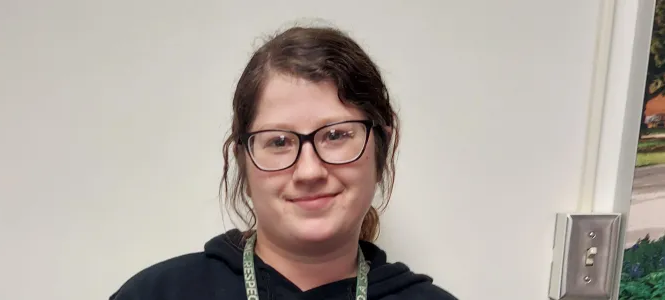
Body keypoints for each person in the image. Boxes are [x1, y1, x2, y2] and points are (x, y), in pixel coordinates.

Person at [109, 25, 458, 300]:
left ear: (382, 145)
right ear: (242, 160)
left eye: (335, 136)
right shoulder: (156, 294)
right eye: (279, 141)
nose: (309, 171)